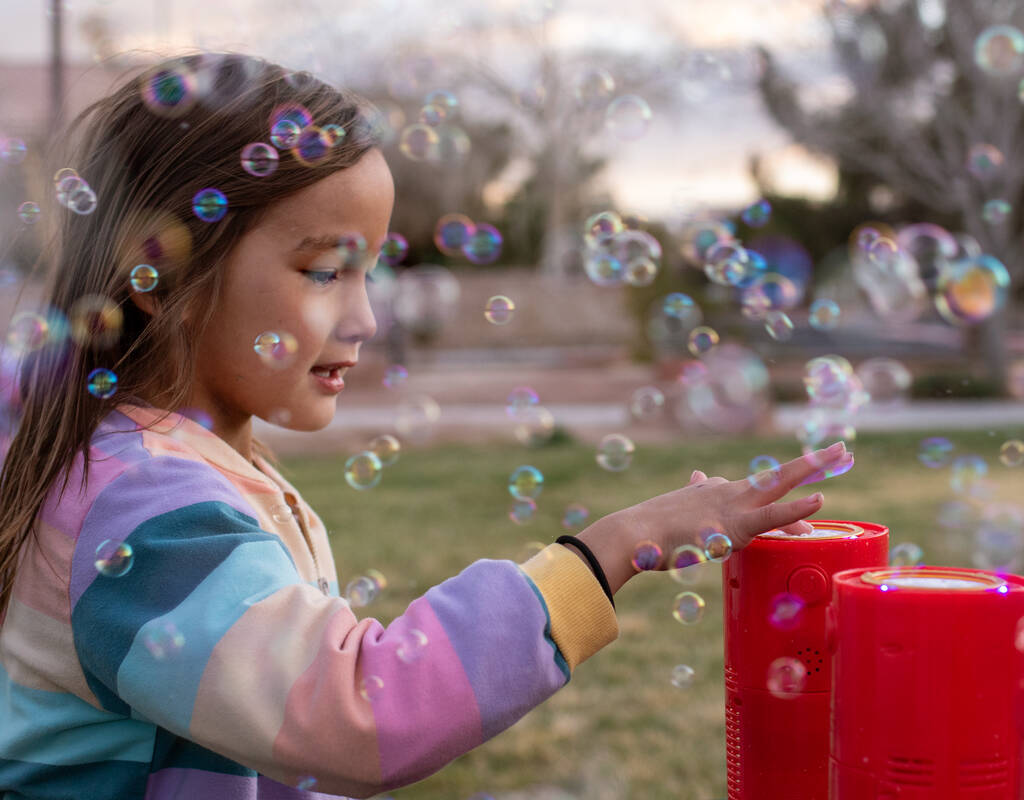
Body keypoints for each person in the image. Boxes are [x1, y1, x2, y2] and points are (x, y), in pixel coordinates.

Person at [0, 52, 855, 799]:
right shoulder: (137, 505)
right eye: (327, 270)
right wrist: (610, 549)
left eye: (370, 272)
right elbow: (359, 713)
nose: (367, 317)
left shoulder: (131, 459)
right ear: (160, 270)